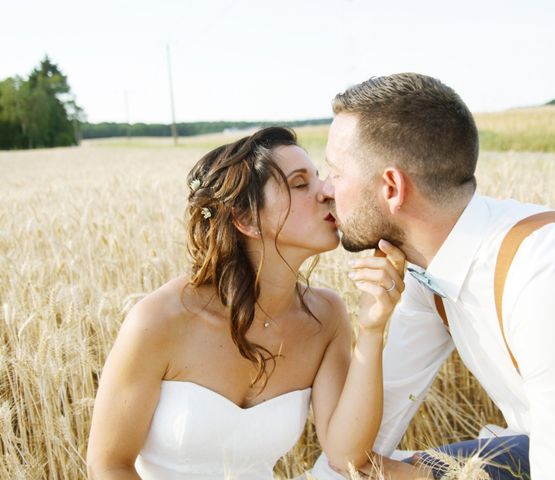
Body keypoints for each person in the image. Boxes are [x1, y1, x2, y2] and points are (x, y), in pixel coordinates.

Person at [311, 73, 555, 479]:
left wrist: (424, 476)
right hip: (547, 448)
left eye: (335, 172)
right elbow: (355, 452)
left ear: (392, 188)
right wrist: (372, 329)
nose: (324, 189)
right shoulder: (427, 273)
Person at [86, 127, 406, 479]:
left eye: (319, 178)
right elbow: (109, 465)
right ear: (246, 219)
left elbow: (345, 457)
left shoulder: (325, 316)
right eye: (301, 184)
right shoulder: (160, 319)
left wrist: (372, 329)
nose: (326, 192)